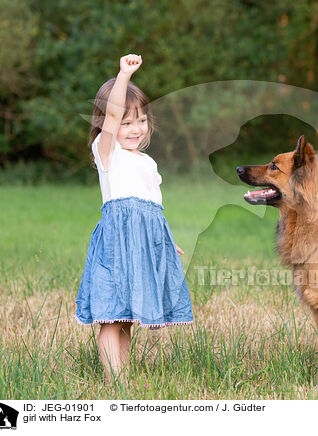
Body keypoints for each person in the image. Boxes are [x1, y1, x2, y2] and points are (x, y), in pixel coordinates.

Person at [74, 54, 193, 383]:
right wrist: (124, 75)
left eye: (140, 121)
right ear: (107, 124)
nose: (135, 129)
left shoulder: (147, 163)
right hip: (117, 242)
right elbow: (113, 113)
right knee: (111, 315)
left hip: (143, 245)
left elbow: (153, 208)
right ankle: (117, 383)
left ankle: (123, 377)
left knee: (125, 317)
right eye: (126, 123)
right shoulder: (106, 151)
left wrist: (167, 243)